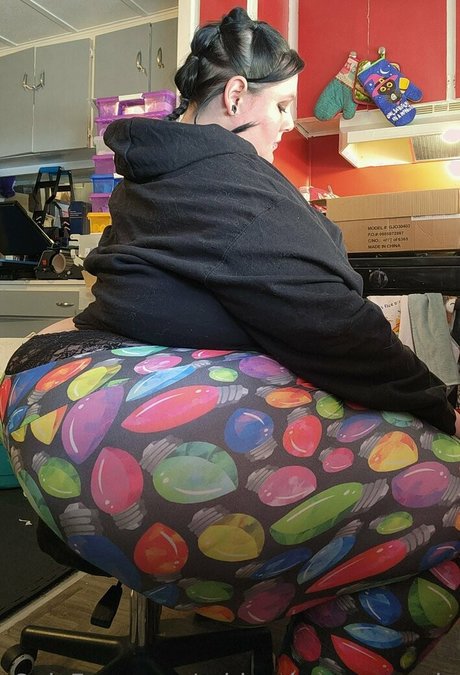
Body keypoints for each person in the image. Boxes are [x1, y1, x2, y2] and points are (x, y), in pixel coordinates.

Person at [1, 8, 459, 674]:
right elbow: (341, 330)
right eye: (282, 106)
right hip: (97, 427)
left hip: (48, 410)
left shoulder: (156, 171)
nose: (287, 124)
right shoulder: (232, 178)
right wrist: (440, 409)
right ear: (237, 95)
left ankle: (316, 588)